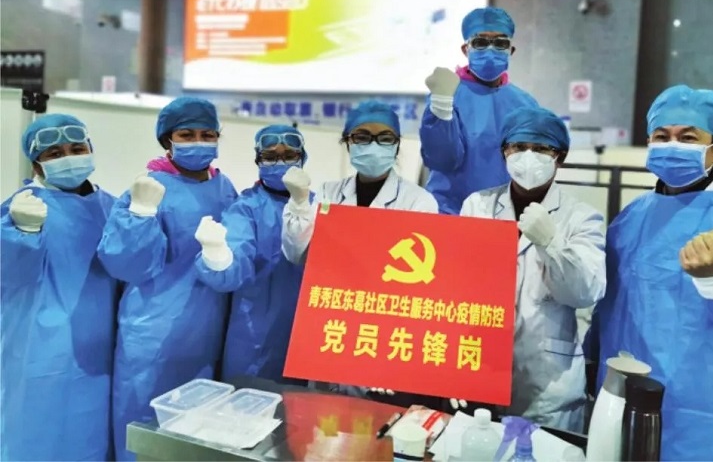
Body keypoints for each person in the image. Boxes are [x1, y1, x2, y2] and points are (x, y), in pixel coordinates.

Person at [584, 85, 713, 460]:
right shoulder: (631, 218)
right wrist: (590, 360)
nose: (672, 146)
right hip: (624, 400)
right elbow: (609, 305)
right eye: (661, 136)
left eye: (687, 138)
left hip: (709, 415)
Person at [97, 96, 238, 461]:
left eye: (207, 134)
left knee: (194, 431)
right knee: (143, 426)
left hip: (207, 330)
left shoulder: (225, 188)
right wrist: (141, 212)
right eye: (187, 135)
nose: (198, 142)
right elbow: (125, 265)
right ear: (167, 140)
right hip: (153, 332)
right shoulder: (148, 188)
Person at [454, 106, 606, 432]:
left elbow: (585, 292)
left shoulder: (582, 218)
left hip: (547, 384)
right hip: (478, 366)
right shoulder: (477, 206)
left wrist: (551, 243)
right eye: (519, 147)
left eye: (541, 148)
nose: (528, 156)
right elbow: (457, 283)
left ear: (559, 157)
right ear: (504, 152)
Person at [280, 100, 439, 406]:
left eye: (385, 138)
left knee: (377, 420)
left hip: (386, 327)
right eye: (362, 137)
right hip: (333, 321)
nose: (374, 145)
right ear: (347, 142)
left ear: (397, 144)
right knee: (324, 419)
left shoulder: (419, 202)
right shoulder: (327, 193)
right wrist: (299, 204)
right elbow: (296, 253)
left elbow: (418, 283)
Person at [1, 114, 119, 460]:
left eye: (76, 149)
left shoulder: (111, 207)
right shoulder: (20, 208)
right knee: (37, 430)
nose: (68, 158)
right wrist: (23, 233)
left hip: (100, 348)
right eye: (54, 154)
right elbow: (10, 277)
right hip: (39, 345)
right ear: (36, 163)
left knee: (91, 433)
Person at [193, 124, 311, 385]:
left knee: (303, 405)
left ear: (303, 157)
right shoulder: (246, 208)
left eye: (289, 155)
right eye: (270, 156)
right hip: (257, 335)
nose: (279, 162)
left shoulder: (318, 207)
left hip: (310, 334)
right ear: (258, 160)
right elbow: (235, 263)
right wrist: (217, 255)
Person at [420, 6, 540, 215]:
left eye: (500, 43)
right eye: (480, 42)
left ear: (511, 50)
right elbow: (441, 160)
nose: (490, 50)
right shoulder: (448, 94)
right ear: (465, 49)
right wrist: (441, 104)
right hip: (451, 213)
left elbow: (531, 169)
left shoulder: (525, 104)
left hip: (505, 214)